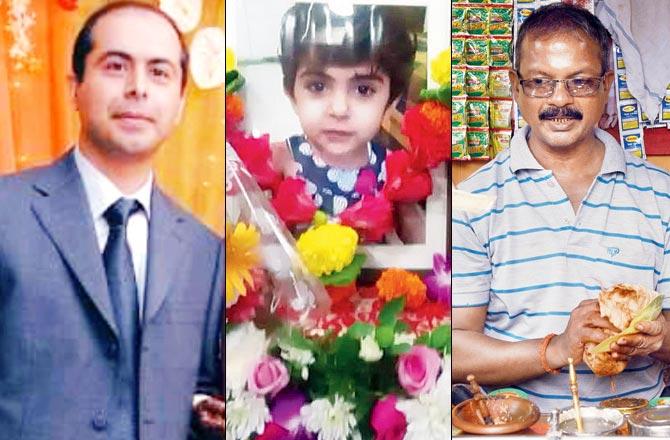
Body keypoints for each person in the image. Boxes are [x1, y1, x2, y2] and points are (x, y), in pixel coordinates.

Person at [0, 2, 224, 439]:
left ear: (179, 103)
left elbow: (204, 389)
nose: (138, 88)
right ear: (74, 88)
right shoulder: (8, 212)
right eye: (116, 66)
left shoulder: (206, 252)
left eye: (159, 72)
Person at [453, 3, 670, 412]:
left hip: (639, 423)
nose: (560, 100)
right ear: (515, 88)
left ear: (606, 85)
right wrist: (557, 349)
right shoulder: (472, 202)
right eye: (540, 82)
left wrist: (658, 337)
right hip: (514, 425)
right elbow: (453, 350)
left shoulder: (662, 196)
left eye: (580, 82)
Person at [271, 3, 423, 242]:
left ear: (391, 102)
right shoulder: (282, 158)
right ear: (292, 94)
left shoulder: (392, 170)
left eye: (363, 89)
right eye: (318, 86)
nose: (339, 109)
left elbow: (422, 249)